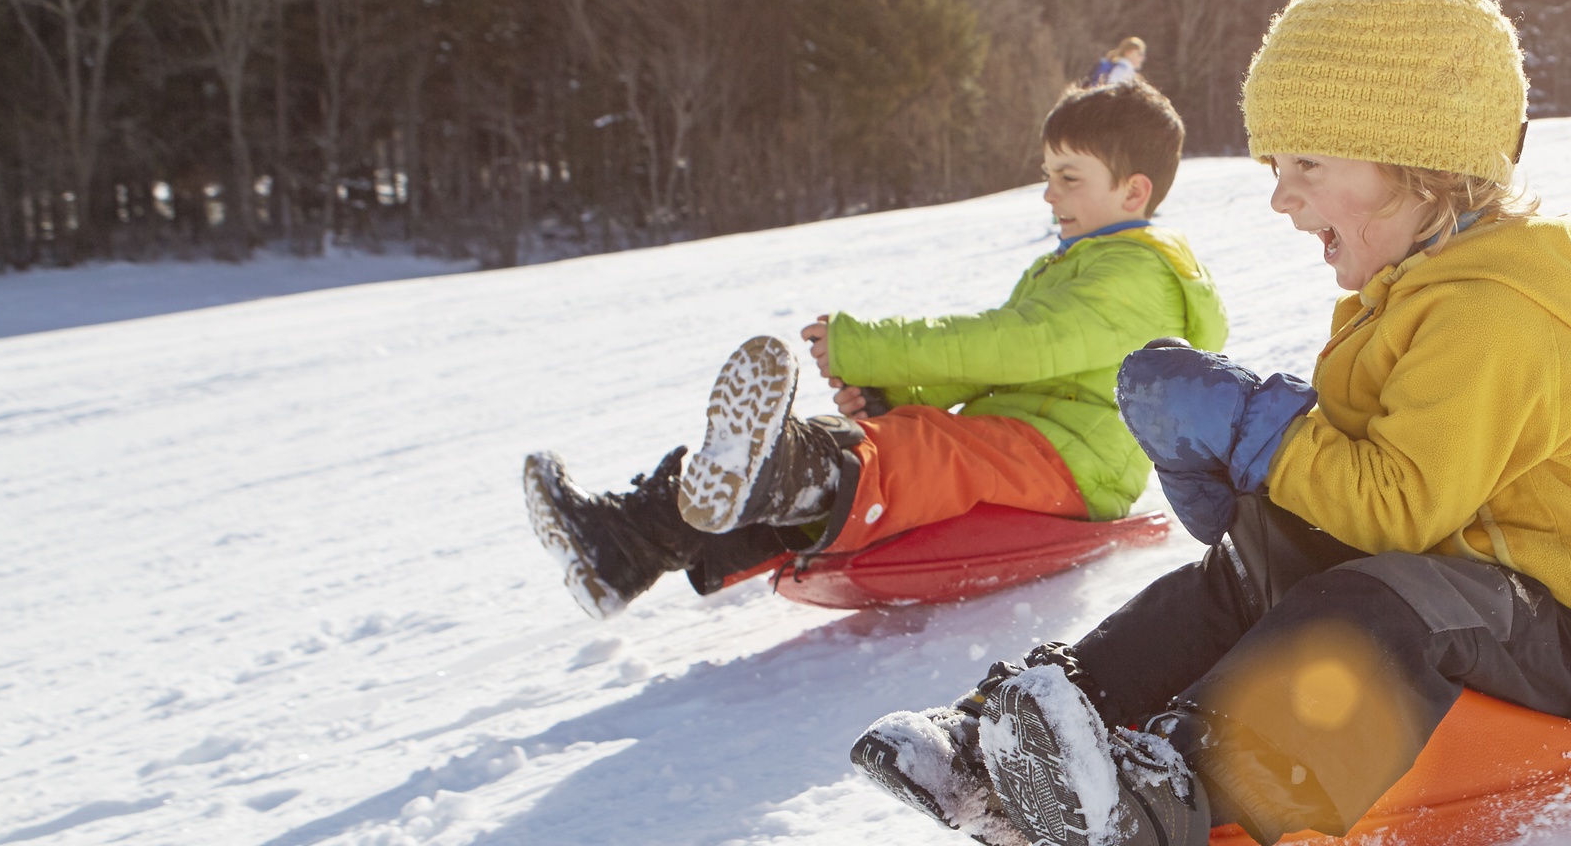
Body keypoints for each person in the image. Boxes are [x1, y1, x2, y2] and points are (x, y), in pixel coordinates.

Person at [854, 0, 1571, 846]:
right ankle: (1004, 755)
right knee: (1245, 570)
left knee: (1373, 609)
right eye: (1275, 169)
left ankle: (1153, 813)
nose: (1284, 200)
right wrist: (1248, 483)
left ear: (1416, 160)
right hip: (1456, 568)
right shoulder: (1412, 290)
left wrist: (1262, 430)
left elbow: (1397, 509)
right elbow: (1363, 497)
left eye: (1306, 166)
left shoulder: (1494, 311)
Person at [522, 79, 1224, 620]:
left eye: (1070, 178)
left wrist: (873, 351)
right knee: (852, 439)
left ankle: (785, 475)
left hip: (1071, 461)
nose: (1049, 194)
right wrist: (897, 396)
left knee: (910, 453)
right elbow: (1008, 378)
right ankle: (623, 544)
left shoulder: (1138, 274)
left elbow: (1016, 349)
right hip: (1023, 439)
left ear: (1134, 189)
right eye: (1047, 174)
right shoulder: (1079, 262)